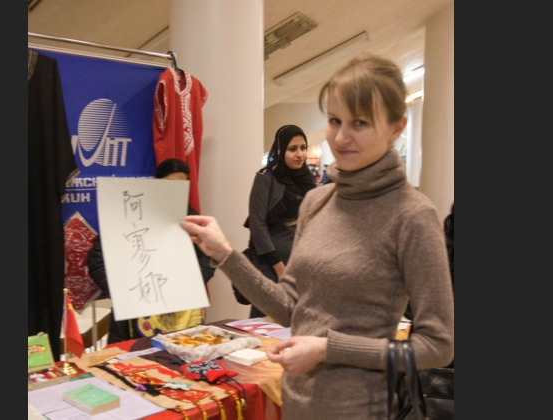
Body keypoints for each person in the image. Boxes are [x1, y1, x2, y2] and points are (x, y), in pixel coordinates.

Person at [180, 53, 454, 419]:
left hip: (360, 410)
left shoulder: (413, 215)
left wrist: (326, 349)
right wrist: (226, 255)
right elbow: (289, 307)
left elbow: (438, 346)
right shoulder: (317, 201)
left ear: (396, 128)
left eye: (360, 123)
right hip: (297, 401)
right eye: (334, 120)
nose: (340, 137)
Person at [88, 158, 215, 343]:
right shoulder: (129, 214)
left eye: (181, 185)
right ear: (157, 184)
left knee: (182, 357)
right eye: (169, 184)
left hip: (183, 312)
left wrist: (191, 284)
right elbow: (97, 259)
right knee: (135, 358)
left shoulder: (193, 218)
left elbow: (208, 258)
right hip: (135, 312)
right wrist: (122, 290)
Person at [239, 124, 316, 318]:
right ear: (281, 151)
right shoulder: (266, 178)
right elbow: (257, 226)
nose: (299, 154)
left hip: (301, 267)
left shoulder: (308, 180)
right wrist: (280, 268)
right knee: (265, 323)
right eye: (292, 149)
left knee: (299, 323)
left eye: (303, 148)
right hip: (271, 266)